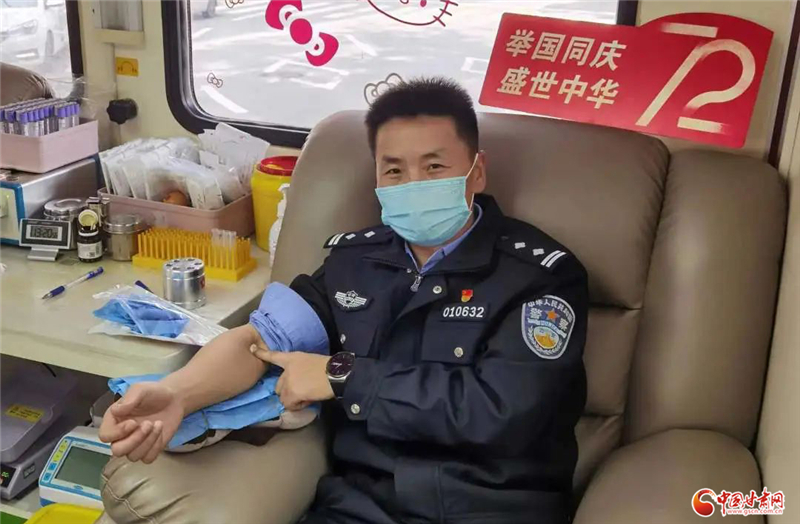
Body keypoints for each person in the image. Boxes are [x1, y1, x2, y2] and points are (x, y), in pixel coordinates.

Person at [99, 77, 588, 524]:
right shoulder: (355, 262)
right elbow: (260, 341)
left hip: (490, 507)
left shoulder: (538, 275)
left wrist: (342, 376)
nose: (413, 184)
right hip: (361, 507)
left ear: (476, 172)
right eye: (393, 170)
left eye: (434, 166)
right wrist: (179, 394)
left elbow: (503, 411)